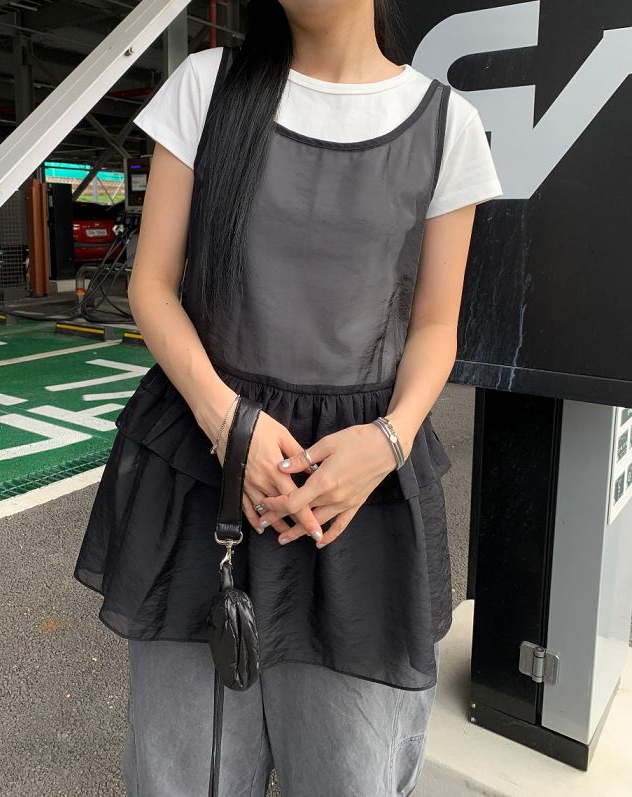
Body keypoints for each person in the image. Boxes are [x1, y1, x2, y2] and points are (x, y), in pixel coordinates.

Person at [73, 2, 503, 794]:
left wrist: (391, 439)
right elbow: (152, 284)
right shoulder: (209, 88)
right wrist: (225, 419)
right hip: (204, 484)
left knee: (355, 772)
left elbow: (436, 324)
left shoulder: (449, 125)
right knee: (181, 774)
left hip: (357, 498)